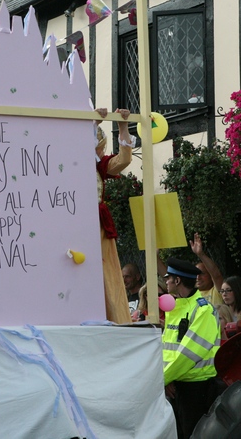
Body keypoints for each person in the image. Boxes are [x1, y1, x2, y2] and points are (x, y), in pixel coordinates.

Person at [161, 257, 220, 438]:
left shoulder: (203, 310)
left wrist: (161, 379)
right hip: (175, 384)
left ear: (177, 281)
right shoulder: (176, 306)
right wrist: (167, 379)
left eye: (168, 278)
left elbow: (189, 354)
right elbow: (168, 348)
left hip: (196, 387)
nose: (165, 281)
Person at [94, 107, 134, 324]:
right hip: (71, 223)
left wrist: (122, 125)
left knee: (107, 270)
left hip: (97, 225)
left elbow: (125, 159)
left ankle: (114, 317)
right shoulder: (66, 162)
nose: (100, 154)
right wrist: (94, 124)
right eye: (98, 149)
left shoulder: (100, 166)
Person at [189, 233, 225, 306]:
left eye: (202, 273)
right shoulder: (189, 295)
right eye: (195, 274)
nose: (198, 277)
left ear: (210, 276)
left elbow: (217, 276)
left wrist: (200, 254)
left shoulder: (217, 292)